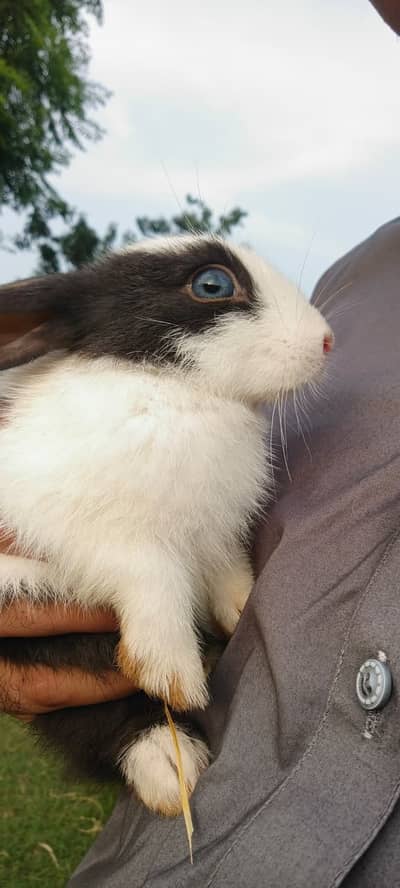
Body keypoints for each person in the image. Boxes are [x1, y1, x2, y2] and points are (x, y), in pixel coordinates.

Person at [1, 3, 399, 885]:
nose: (319, 332)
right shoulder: (95, 393)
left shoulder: (237, 425)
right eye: (219, 286)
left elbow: (225, 530)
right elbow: (54, 512)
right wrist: (143, 576)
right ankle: (127, 731)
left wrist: (217, 573)